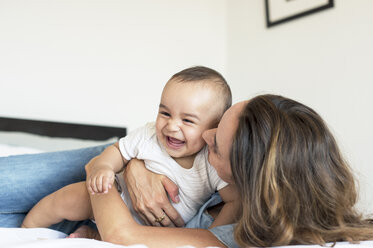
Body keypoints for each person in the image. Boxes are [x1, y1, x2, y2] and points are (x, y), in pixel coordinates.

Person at [1, 94, 373, 247]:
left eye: (213, 145)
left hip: (105, 199)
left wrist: (102, 181)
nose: (204, 136)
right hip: (124, 157)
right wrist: (128, 163)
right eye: (217, 122)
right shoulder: (241, 151)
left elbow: (122, 234)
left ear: (243, 176)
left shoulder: (235, 233)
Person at [20, 66, 240, 233]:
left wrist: (211, 237)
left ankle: (92, 235)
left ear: (215, 127)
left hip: (156, 233)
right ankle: (25, 232)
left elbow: (233, 202)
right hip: (114, 200)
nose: (172, 126)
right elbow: (117, 150)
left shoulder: (211, 161)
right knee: (66, 198)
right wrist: (103, 167)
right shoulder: (149, 134)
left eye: (188, 120)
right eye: (165, 113)